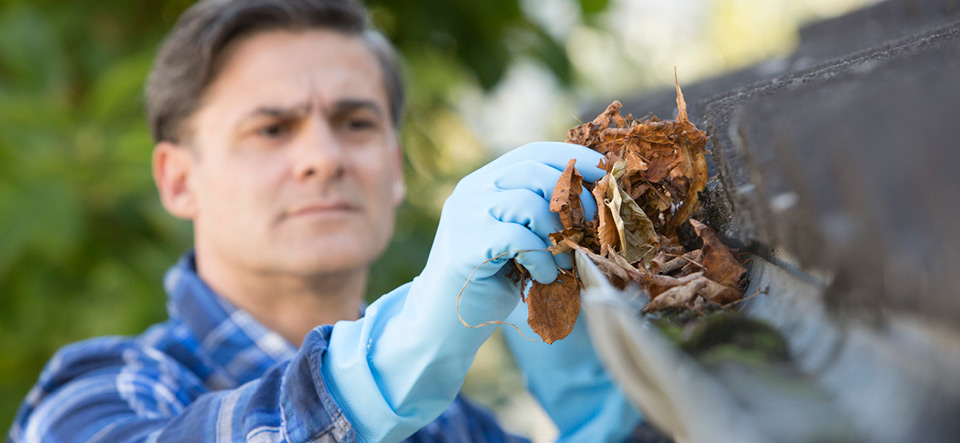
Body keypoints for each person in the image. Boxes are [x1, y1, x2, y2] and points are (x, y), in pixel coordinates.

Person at [8, 0, 647, 441]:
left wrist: (610, 415)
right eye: (272, 128)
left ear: (394, 168)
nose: (323, 158)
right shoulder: (95, 397)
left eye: (355, 122)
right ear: (178, 179)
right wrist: (388, 363)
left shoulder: (449, 427)